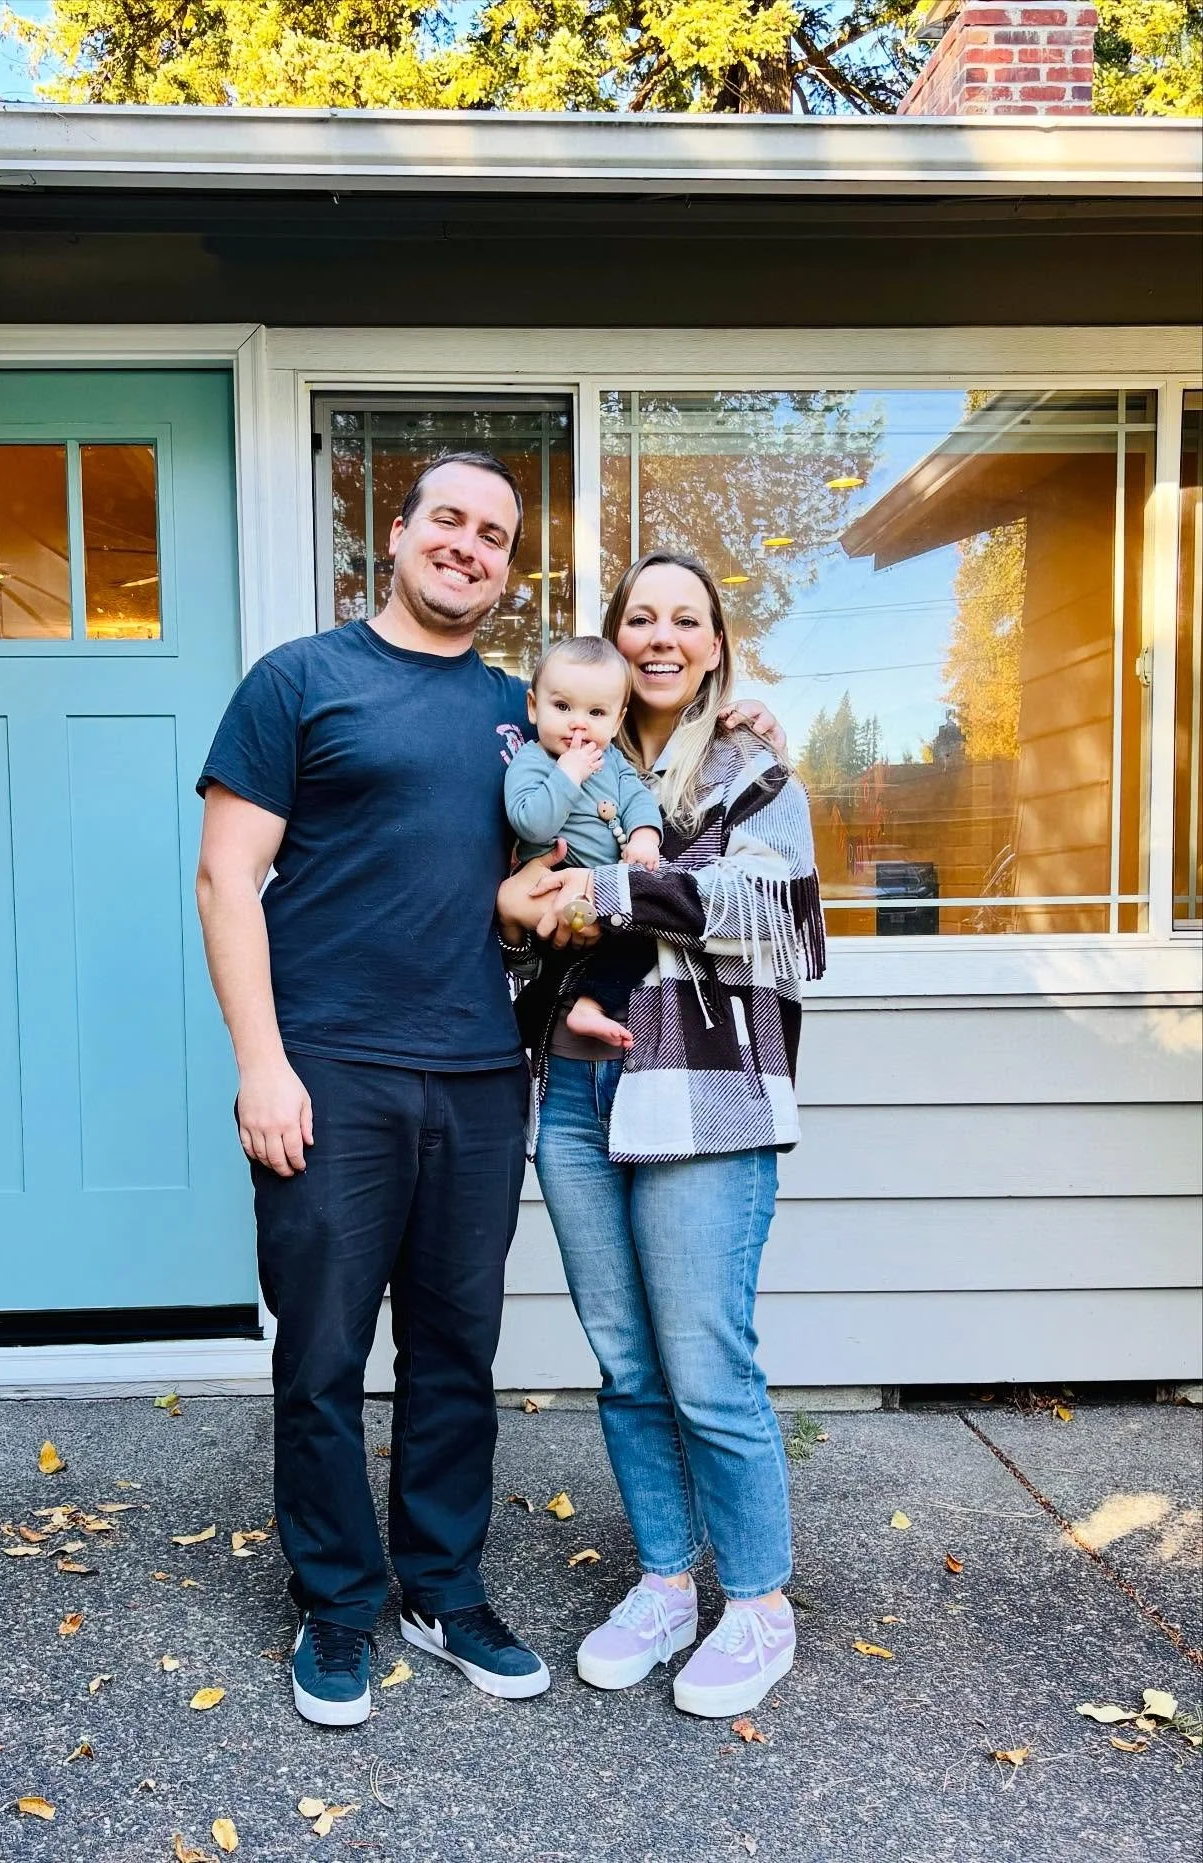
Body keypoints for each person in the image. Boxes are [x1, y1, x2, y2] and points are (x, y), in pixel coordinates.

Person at [196, 455, 785, 1729]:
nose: (467, 546)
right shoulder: (300, 682)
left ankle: (444, 1590)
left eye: (495, 535)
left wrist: (740, 722)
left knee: (458, 1353)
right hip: (331, 1072)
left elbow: (584, 835)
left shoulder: (524, 718)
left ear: (509, 570)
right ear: (398, 535)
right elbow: (225, 879)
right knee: (325, 1354)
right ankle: (339, 1607)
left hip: (480, 1076)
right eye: (446, 522)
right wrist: (261, 1064)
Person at [496, 549, 824, 1722]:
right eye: (642, 617)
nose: (662, 636)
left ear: (718, 644)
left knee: (703, 1360)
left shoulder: (750, 765)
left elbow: (775, 916)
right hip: (578, 1100)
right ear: (613, 640)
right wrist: (549, 965)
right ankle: (668, 1581)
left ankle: (758, 1604)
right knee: (627, 1366)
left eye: (687, 618)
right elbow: (517, 921)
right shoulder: (564, 762)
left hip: (701, 1096)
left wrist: (614, 895)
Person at [504, 635, 662, 1050]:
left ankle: (589, 1007)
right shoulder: (532, 762)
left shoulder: (613, 760)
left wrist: (644, 838)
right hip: (550, 892)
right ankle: (518, 1032)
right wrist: (567, 775)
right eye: (562, 707)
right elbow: (531, 824)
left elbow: (638, 798)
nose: (578, 723)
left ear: (617, 719)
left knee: (643, 939)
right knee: (552, 975)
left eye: (595, 712)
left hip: (607, 895)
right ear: (534, 707)